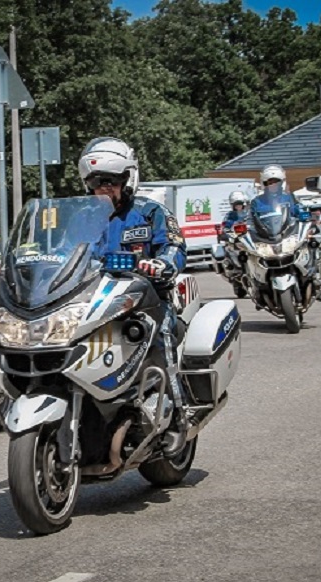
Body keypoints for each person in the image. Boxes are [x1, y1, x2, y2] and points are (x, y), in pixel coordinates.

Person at [77, 136, 189, 457]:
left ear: (128, 179)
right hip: (95, 303)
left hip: (147, 301)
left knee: (160, 334)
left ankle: (178, 417)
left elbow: (175, 246)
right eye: (96, 182)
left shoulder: (151, 212)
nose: (103, 189)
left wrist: (163, 263)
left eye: (110, 182)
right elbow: (60, 249)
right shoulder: (83, 217)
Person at [250, 165, 321, 301]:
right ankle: (257, 287)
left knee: (310, 243)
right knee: (250, 254)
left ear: (281, 182)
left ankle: (314, 277)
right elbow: (250, 219)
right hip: (267, 238)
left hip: (287, 234)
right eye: (269, 182)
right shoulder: (256, 202)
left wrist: (307, 217)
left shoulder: (288, 198)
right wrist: (243, 229)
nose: (272, 185)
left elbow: (298, 210)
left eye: (275, 181)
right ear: (264, 184)